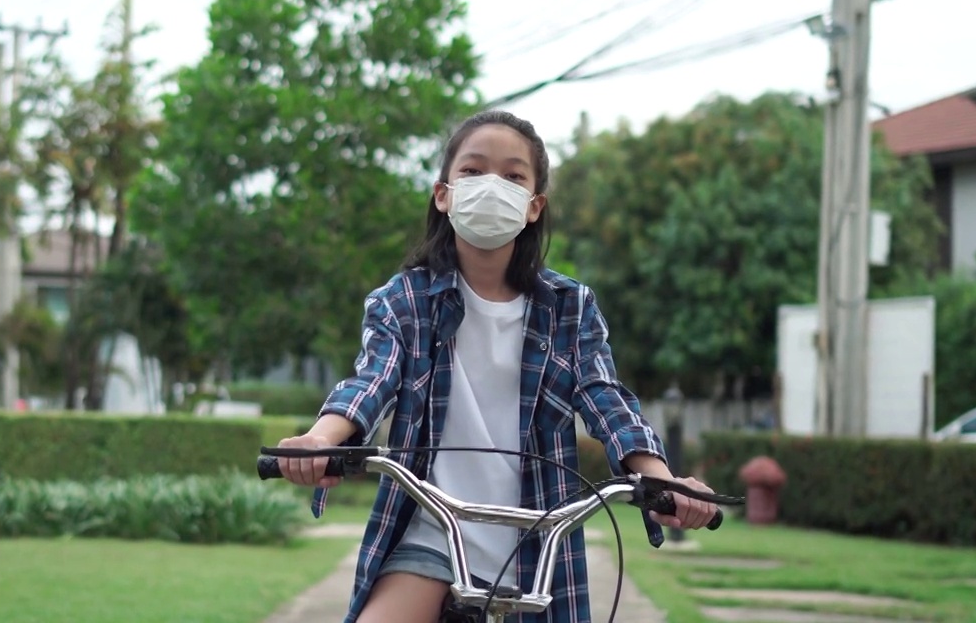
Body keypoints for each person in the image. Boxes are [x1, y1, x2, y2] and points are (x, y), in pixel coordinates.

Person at [273, 110, 718, 623]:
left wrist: (662, 481)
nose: (491, 186)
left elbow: (606, 398)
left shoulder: (569, 307)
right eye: (472, 171)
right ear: (443, 195)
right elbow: (373, 378)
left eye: (512, 176)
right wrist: (321, 441)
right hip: (433, 535)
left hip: (539, 547)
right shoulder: (405, 301)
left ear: (534, 206)